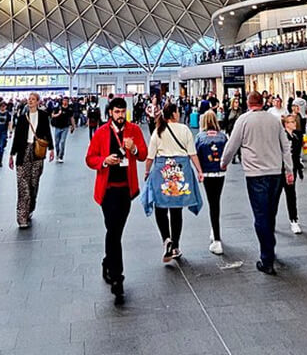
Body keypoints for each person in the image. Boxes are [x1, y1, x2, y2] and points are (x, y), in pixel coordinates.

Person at [220, 92, 293, 275]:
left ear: (248, 103)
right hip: (276, 172)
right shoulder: (274, 120)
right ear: (262, 102)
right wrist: (289, 170)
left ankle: (267, 259)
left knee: (260, 215)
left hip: (255, 173)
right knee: (271, 212)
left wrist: (224, 162)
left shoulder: (243, 120)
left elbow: (232, 144)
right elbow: (285, 146)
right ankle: (270, 248)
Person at [85, 97, 146, 305]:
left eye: (123, 112)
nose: (120, 116)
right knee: (113, 230)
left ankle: (108, 262)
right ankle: (117, 278)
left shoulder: (134, 131)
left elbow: (143, 154)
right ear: (110, 112)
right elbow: (90, 158)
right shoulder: (102, 133)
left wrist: (134, 148)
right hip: (107, 191)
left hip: (126, 191)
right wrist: (104, 161)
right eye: (117, 112)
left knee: (115, 231)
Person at [143, 103, 203, 263]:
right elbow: (192, 153)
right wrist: (199, 171)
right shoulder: (184, 129)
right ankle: (175, 245)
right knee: (176, 210)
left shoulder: (158, 131)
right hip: (181, 170)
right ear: (175, 114)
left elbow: (150, 157)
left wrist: (147, 172)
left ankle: (166, 239)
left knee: (160, 207)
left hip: (162, 171)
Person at [10, 92, 54, 229]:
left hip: (37, 152)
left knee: (33, 183)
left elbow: (47, 132)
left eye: (33, 99)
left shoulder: (43, 116)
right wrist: (12, 154)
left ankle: (30, 208)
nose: (30, 101)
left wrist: (51, 149)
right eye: (29, 99)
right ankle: (21, 217)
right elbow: (17, 136)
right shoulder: (23, 118)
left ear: (38, 102)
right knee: (23, 186)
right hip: (23, 153)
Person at [195, 110, 228, 255]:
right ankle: (214, 231)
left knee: (212, 202)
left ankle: (216, 239)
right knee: (216, 202)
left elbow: (196, 154)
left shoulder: (200, 137)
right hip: (220, 172)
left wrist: (199, 171)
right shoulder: (222, 136)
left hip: (207, 172)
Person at [281, 114, 305, 235]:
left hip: (292, 169)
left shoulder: (297, 136)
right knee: (274, 196)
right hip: (281, 169)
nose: (294, 124)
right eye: (291, 122)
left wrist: (299, 167)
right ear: (286, 124)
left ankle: (294, 220)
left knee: (291, 194)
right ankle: (270, 219)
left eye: (294, 121)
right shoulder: (282, 136)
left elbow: (297, 154)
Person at [50, 98, 76, 164]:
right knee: (56, 143)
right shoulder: (57, 108)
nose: (65, 102)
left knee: (62, 142)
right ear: (62, 101)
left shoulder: (70, 109)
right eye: (64, 101)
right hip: (57, 127)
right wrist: (58, 114)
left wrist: (73, 126)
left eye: (66, 101)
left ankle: (61, 156)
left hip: (65, 127)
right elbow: (52, 115)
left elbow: (71, 118)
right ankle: (58, 154)